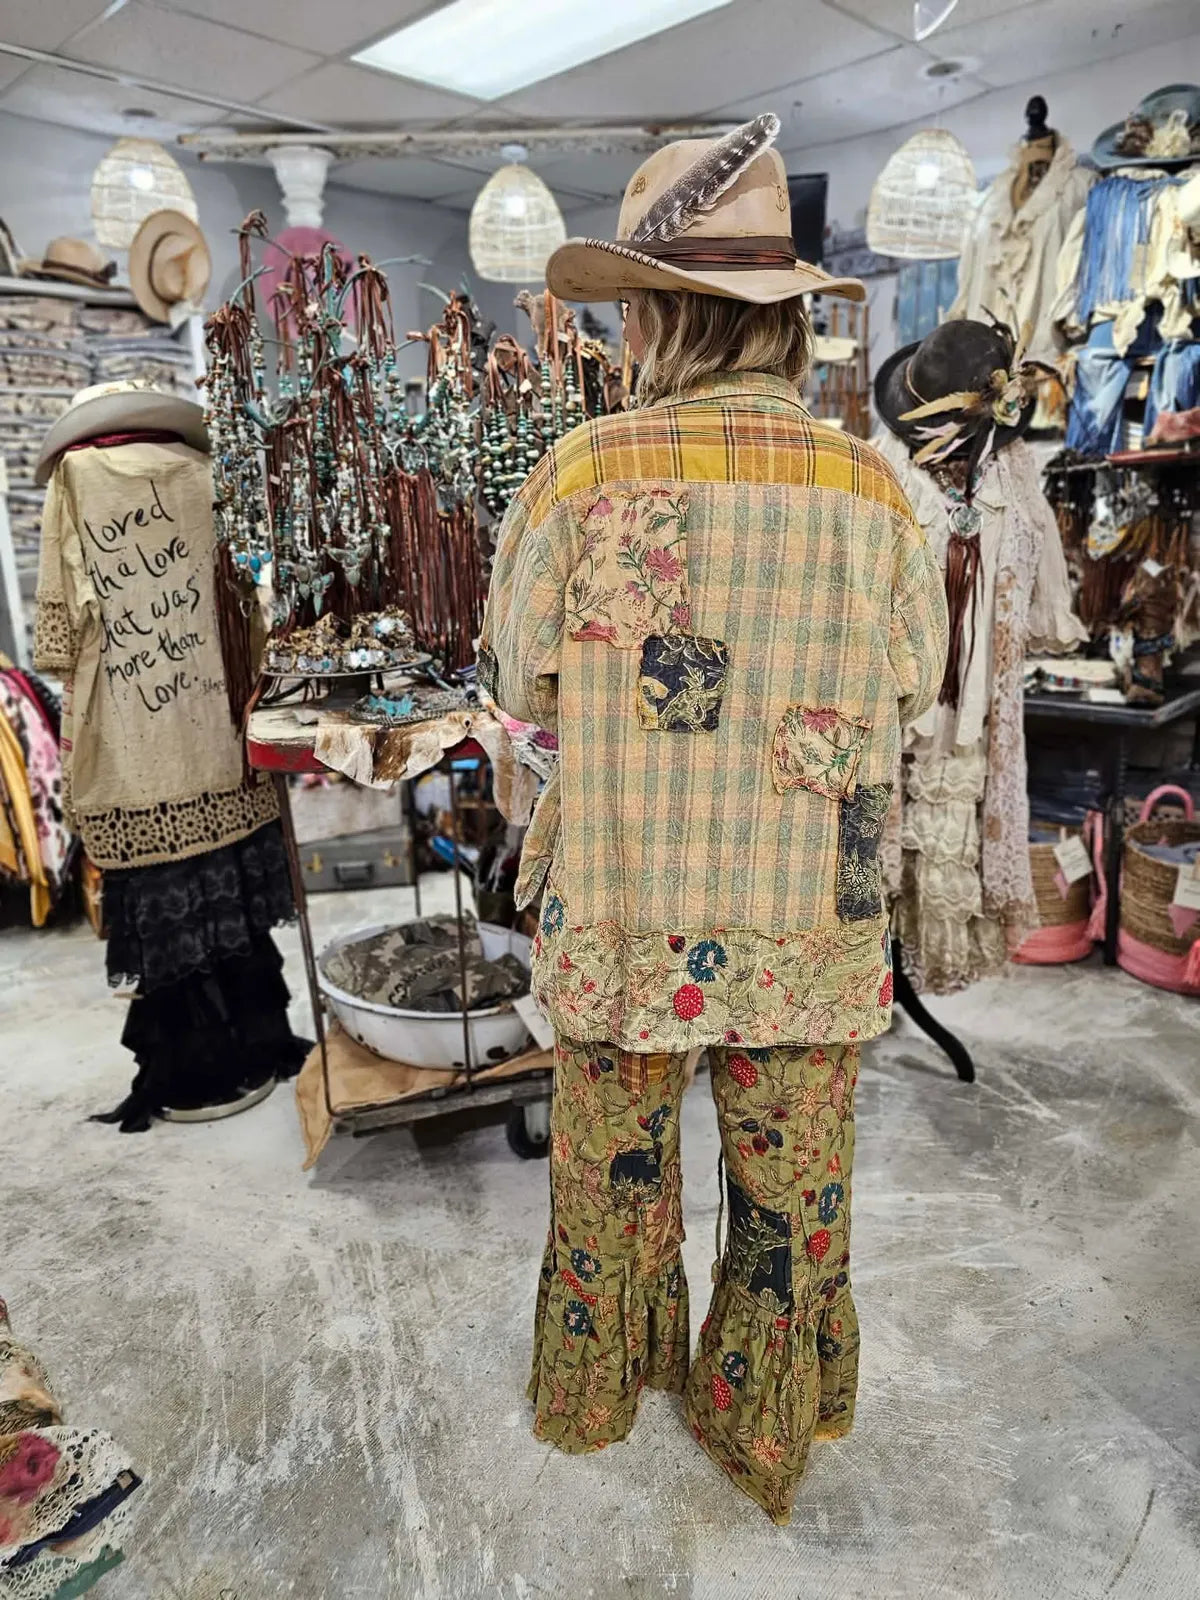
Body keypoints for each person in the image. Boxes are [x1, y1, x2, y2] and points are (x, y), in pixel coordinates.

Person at [478, 115, 949, 1524]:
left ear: (653, 314)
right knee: (794, 1195)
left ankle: (601, 1391)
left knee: (609, 1179)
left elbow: (520, 677)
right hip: (811, 905)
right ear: (782, 319)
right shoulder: (874, 487)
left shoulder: (583, 475)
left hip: (630, 892)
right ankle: (771, 1413)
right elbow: (915, 685)